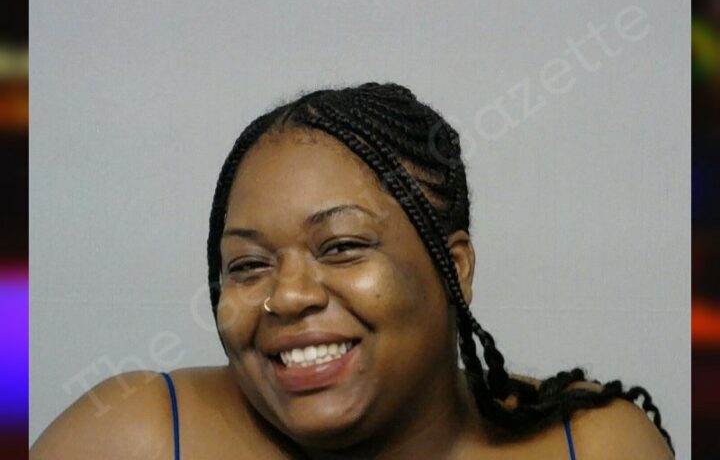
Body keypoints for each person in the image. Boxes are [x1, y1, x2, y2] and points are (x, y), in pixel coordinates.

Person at [30, 82, 675, 459]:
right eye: (248, 264)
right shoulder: (134, 437)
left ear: (453, 268)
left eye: (340, 247)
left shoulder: (595, 447)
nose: (288, 296)